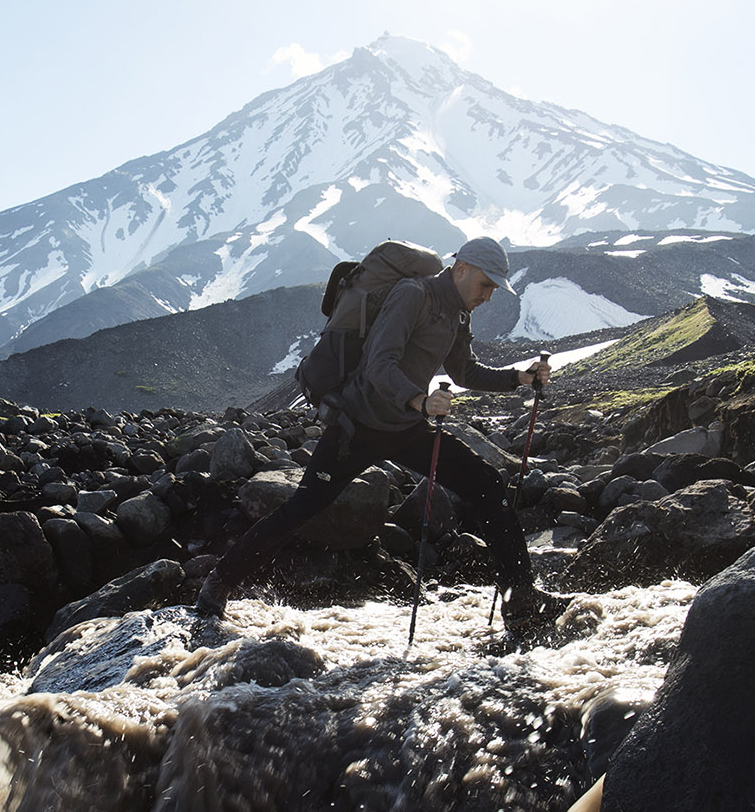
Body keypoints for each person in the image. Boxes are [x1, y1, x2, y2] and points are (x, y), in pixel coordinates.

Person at [195, 236, 565, 644]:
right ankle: (217, 585)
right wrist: (420, 401)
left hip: (407, 427)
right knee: (301, 508)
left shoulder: (458, 313)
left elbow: (464, 372)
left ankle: (521, 600)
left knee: (487, 484)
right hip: (358, 427)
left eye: (494, 288)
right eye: (486, 284)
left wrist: (518, 378)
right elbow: (378, 364)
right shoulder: (413, 295)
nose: (489, 296)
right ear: (461, 269)